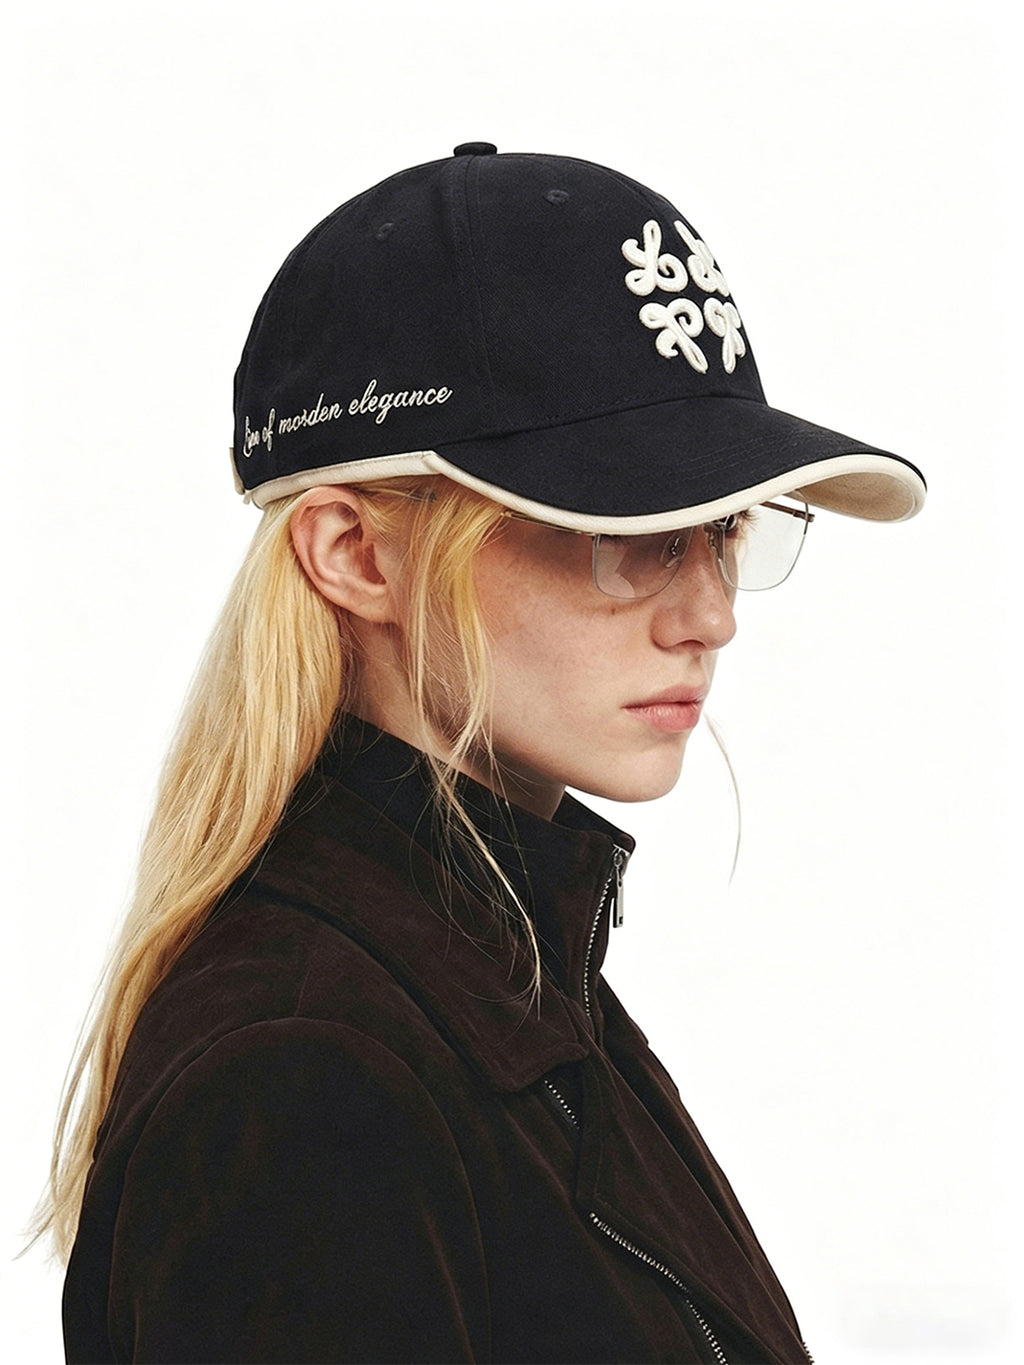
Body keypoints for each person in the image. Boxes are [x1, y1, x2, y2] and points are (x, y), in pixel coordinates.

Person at [44, 144, 925, 1364]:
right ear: (354, 554)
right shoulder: (307, 1082)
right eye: (632, 532)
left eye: (722, 528)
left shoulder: (499, 978)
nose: (710, 615)